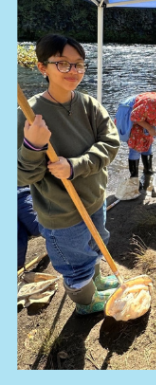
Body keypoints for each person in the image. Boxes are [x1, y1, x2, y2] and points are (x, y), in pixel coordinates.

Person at [17, 34, 120, 315]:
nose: (73, 71)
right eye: (63, 64)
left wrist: (75, 166)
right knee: (76, 264)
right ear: (42, 67)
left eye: (79, 65)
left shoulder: (89, 105)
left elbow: (111, 144)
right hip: (62, 215)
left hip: (94, 200)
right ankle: (86, 304)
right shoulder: (28, 115)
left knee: (96, 243)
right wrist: (32, 145)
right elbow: (21, 177)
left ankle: (96, 279)